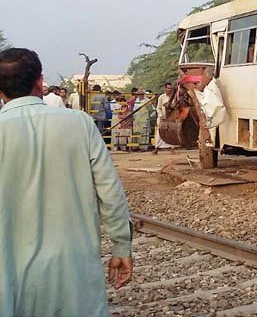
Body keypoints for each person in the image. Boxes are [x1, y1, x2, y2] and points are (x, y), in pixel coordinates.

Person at [0, 48, 132, 317]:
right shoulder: (80, 125)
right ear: (40, 81)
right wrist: (121, 245)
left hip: (10, 272)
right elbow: (109, 191)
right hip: (75, 271)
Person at [153, 82, 176, 155]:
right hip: (162, 118)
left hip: (171, 118)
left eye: (171, 88)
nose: (169, 90)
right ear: (165, 89)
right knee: (160, 133)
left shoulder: (175, 97)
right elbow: (158, 108)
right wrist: (161, 116)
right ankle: (156, 148)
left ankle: (172, 149)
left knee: (172, 133)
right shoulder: (161, 97)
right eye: (168, 88)